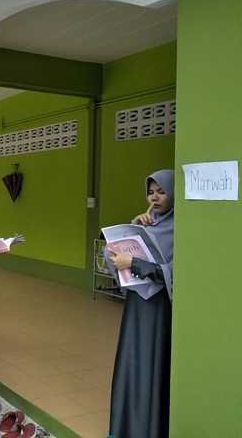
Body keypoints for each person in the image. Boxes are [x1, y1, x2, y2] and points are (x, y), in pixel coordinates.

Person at [106, 169, 174, 438]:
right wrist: (133, 230)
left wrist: (133, 263)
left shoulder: (181, 229)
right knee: (131, 364)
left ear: (174, 194)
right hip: (136, 306)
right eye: (150, 192)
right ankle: (125, 429)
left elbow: (172, 273)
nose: (154, 198)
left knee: (152, 367)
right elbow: (114, 256)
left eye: (161, 192)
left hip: (158, 311)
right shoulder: (146, 225)